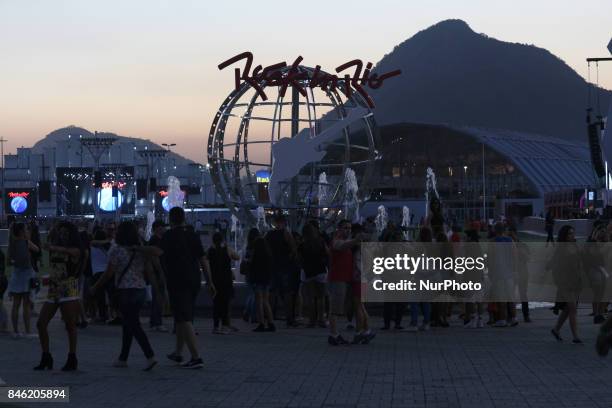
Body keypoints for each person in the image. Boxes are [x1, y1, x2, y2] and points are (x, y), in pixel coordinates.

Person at [91, 221, 158, 370]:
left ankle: (150, 355)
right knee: (128, 323)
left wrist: (96, 286)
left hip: (125, 290)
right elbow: (149, 269)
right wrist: (156, 288)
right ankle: (123, 358)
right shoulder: (140, 248)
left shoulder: (116, 248)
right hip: (140, 289)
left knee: (133, 324)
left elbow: (109, 273)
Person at [162, 207, 215, 369]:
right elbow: (203, 259)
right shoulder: (193, 235)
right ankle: (178, 352)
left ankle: (196, 357)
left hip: (177, 281)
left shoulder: (169, 235)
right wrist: (210, 281)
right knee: (181, 317)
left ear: (170, 219)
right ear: (184, 218)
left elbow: (161, 256)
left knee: (184, 318)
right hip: (194, 280)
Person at [35, 221, 83, 371]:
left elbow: (75, 253)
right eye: (60, 232)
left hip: (68, 288)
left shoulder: (75, 249)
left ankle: (72, 357)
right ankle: (46, 355)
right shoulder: (56, 247)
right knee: (41, 323)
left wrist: (54, 247)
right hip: (54, 288)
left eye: (65, 233)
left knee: (70, 325)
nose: (62, 235)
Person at [328, 219, 360, 345]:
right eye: (345, 228)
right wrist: (356, 240)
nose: (348, 230)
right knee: (335, 309)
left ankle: (335, 334)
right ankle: (334, 335)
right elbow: (340, 246)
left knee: (337, 308)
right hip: (337, 279)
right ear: (339, 229)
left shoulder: (346, 241)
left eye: (349, 228)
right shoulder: (336, 240)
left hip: (343, 279)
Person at [265, 214, 300, 327]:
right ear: (284, 222)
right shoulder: (286, 234)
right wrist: (289, 258)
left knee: (272, 293)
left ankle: (270, 317)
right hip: (284, 267)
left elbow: (265, 249)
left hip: (272, 267)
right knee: (287, 293)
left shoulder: (269, 234)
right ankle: (289, 318)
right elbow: (294, 249)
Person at [550, 226, 583, 344]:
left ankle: (556, 329)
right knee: (572, 308)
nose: (572, 236)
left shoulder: (575, 246)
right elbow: (555, 266)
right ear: (564, 235)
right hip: (565, 282)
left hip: (576, 281)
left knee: (569, 308)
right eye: (569, 234)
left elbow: (579, 263)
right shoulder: (561, 249)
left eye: (573, 233)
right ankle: (575, 336)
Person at [7, 222, 40, 338]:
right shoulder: (26, 242)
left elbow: (9, 260)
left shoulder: (12, 243)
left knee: (15, 304)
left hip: (16, 275)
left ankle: (16, 331)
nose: (27, 231)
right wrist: (28, 238)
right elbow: (37, 249)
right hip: (26, 276)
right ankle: (28, 331)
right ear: (22, 231)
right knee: (26, 305)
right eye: (26, 229)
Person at [208, 232, 240, 334]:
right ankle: (225, 326)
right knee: (225, 304)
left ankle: (216, 326)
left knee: (216, 304)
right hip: (226, 281)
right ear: (223, 240)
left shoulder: (210, 250)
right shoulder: (227, 249)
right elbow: (237, 257)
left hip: (215, 281)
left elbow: (203, 260)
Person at [298, 223, 329, 328]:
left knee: (310, 297)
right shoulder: (321, 242)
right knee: (321, 297)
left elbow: (300, 259)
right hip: (321, 270)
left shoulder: (302, 245)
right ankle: (321, 319)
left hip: (308, 272)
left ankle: (312, 320)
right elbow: (327, 254)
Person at [245, 228, 275, 332]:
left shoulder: (254, 250)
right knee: (266, 301)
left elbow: (250, 263)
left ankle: (261, 323)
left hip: (257, 278)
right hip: (266, 278)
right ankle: (271, 323)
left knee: (259, 301)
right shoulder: (267, 251)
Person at [147, 220, 169, 332]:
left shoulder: (158, 240)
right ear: (157, 228)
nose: (165, 229)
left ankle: (154, 321)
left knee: (158, 297)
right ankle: (157, 322)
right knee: (158, 297)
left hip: (158, 272)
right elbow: (153, 258)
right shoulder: (155, 240)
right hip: (157, 273)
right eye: (163, 227)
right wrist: (160, 272)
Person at [89, 229, 111, 322]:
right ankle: (111, 314)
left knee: (99, 296)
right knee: (109, 295)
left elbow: (92, 242)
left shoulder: (93, 247)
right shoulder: (109, 246)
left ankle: (102, 315)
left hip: (97, 272)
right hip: (107, 272)